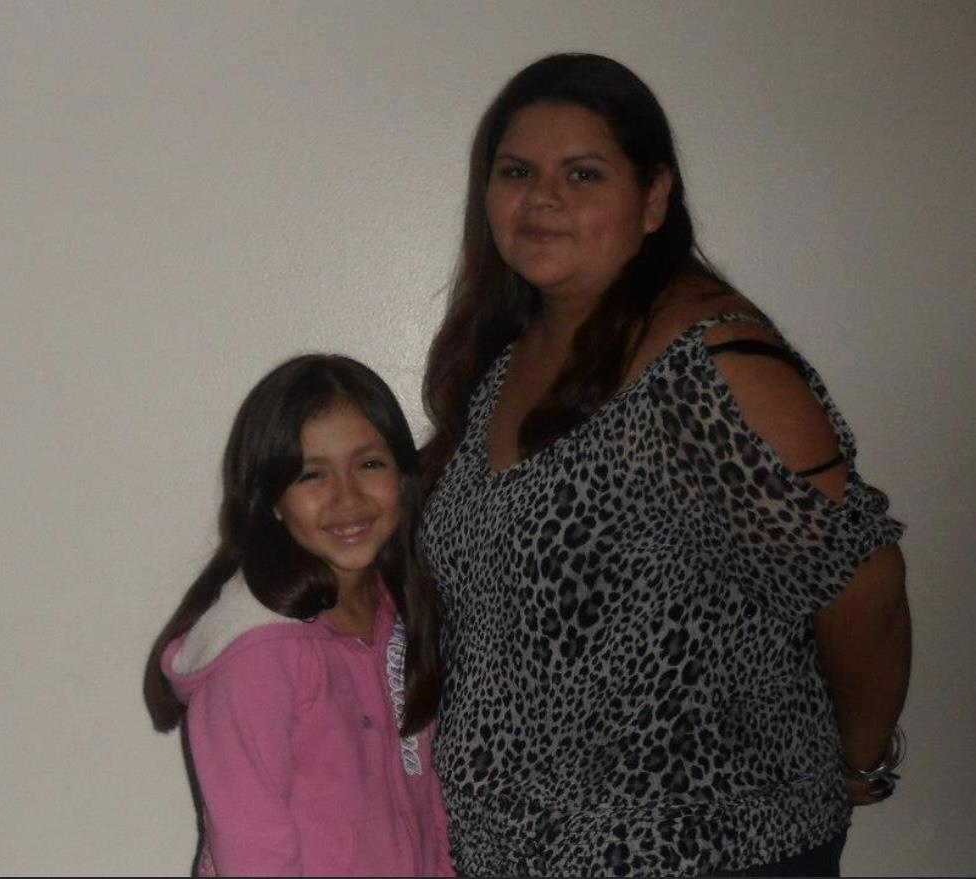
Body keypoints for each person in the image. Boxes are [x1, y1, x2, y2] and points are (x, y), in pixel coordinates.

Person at [419, 53, 911, 877]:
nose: (542, 197)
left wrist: (861, 761)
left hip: (701, 848)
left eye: (583, 172)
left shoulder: (711, 368)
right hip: (518, 852)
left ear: (654, 199)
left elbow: (864, 585)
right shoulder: (505, 359)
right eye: (516, 171)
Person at [143, 354, 453, 877]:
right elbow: (253, 850)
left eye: (369, 464)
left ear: (403, 477)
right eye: (312, 475)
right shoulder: (259, 651)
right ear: (272, 501)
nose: (347, 496)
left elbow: (426, 801)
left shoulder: (396, 616)